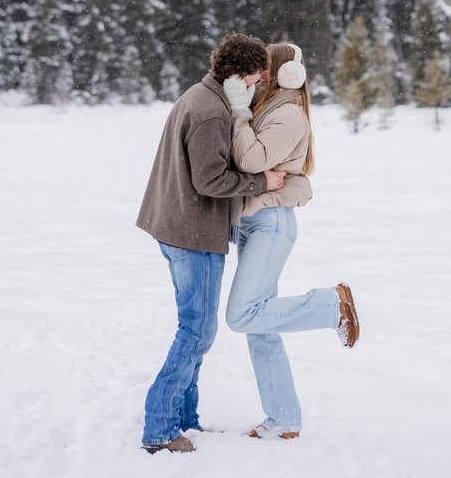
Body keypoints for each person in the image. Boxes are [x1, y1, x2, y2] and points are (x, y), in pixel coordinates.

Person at [134, 34, 289, 455]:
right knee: (196, 331)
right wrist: (263, 181)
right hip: (192, 233)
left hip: (176, 226)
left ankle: (185, 421)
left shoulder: (202, 95)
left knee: (196, 328)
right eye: (259, 77)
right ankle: (160, 428)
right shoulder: (211, 114)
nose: (261, 84)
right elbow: (210, 180)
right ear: (241, 76)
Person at [223, 42, 360, 441]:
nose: (259, 75)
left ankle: (331, 304)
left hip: (271, 224)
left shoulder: (287, 114)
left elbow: (250, 161)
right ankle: (283, 418)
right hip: (255, 222)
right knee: (260, 326)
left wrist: (238, 112)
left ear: (286, 74)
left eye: (265, 68)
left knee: (242, 314)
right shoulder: (270, 108)